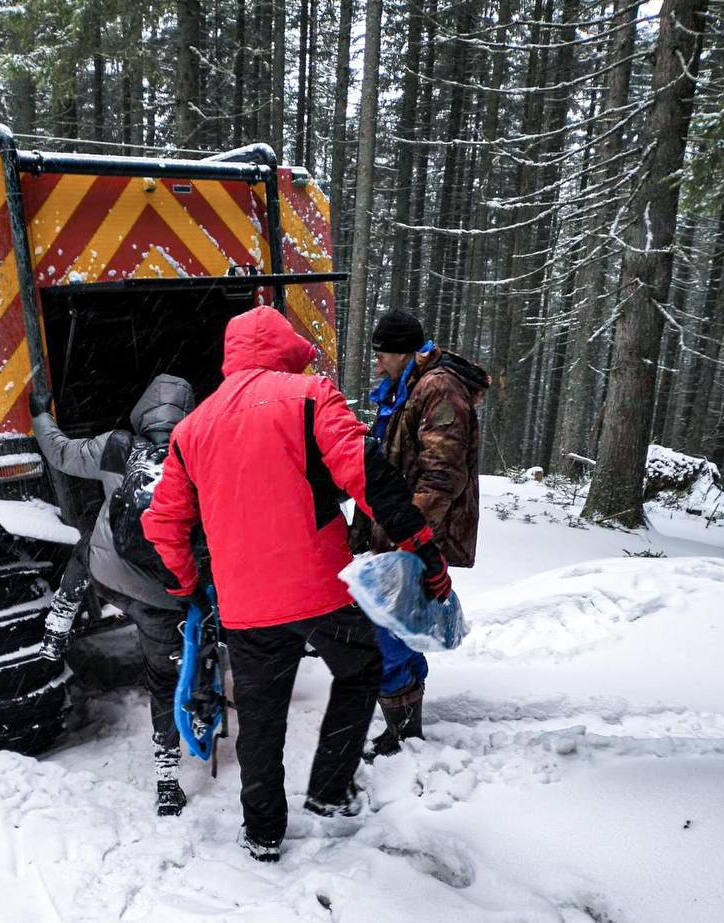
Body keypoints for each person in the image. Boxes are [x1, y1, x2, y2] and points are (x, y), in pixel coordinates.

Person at [141, 306, 452, 863]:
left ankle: (262, 833)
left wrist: (186, 586)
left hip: (244, 604)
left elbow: (163, 522)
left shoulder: (191, 428)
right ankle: (331, 791)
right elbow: (366, 470)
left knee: (259, 718)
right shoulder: (309, 395)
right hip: (321, 590)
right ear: (284, 349)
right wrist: (421, 547)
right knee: (360, 671)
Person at [30, 374, 195, 817]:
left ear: (142, 411)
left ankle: (58, 622)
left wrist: (40, 414)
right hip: (165, 593)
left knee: (89, 541)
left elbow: (61, 453)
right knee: (165, 682)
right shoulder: (199, 451)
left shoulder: (117, 445)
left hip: (109, 576)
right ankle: (166, 782)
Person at [355, 308, 488, 757]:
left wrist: (407, 533)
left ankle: (403, 734)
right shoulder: (410, 385)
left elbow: (441, 475)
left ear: (404, 351)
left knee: (383, 627)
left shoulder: (439, 389)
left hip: (417, 529)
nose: (376, 365)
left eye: (381, 355)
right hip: (404, 526)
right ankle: (406, 724)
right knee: (399, 623)